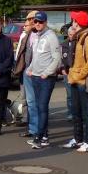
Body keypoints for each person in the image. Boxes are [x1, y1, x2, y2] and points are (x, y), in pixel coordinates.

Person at [24, 12, 62, 149]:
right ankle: (43, 136)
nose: (38, 24)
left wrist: (47, 73)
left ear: (45, 22)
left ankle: (40, 137)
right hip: (35, 76)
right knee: (38, 106)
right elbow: (36, 57)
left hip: (46, 78)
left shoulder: (51, 36)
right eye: (36, 22)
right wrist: (30, 68)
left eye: (40, 22)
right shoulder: (38, 36)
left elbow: (57, 58)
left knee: (42, 107)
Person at [64, 11, 88, 152]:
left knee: (86, 112)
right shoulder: (78, 38)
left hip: (82, 82)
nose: (72, 23)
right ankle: (78, 139)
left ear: (79, 23)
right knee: (76, 112)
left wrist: (79, 76)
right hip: (74, 80)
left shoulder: (87, 39)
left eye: (75, 21)